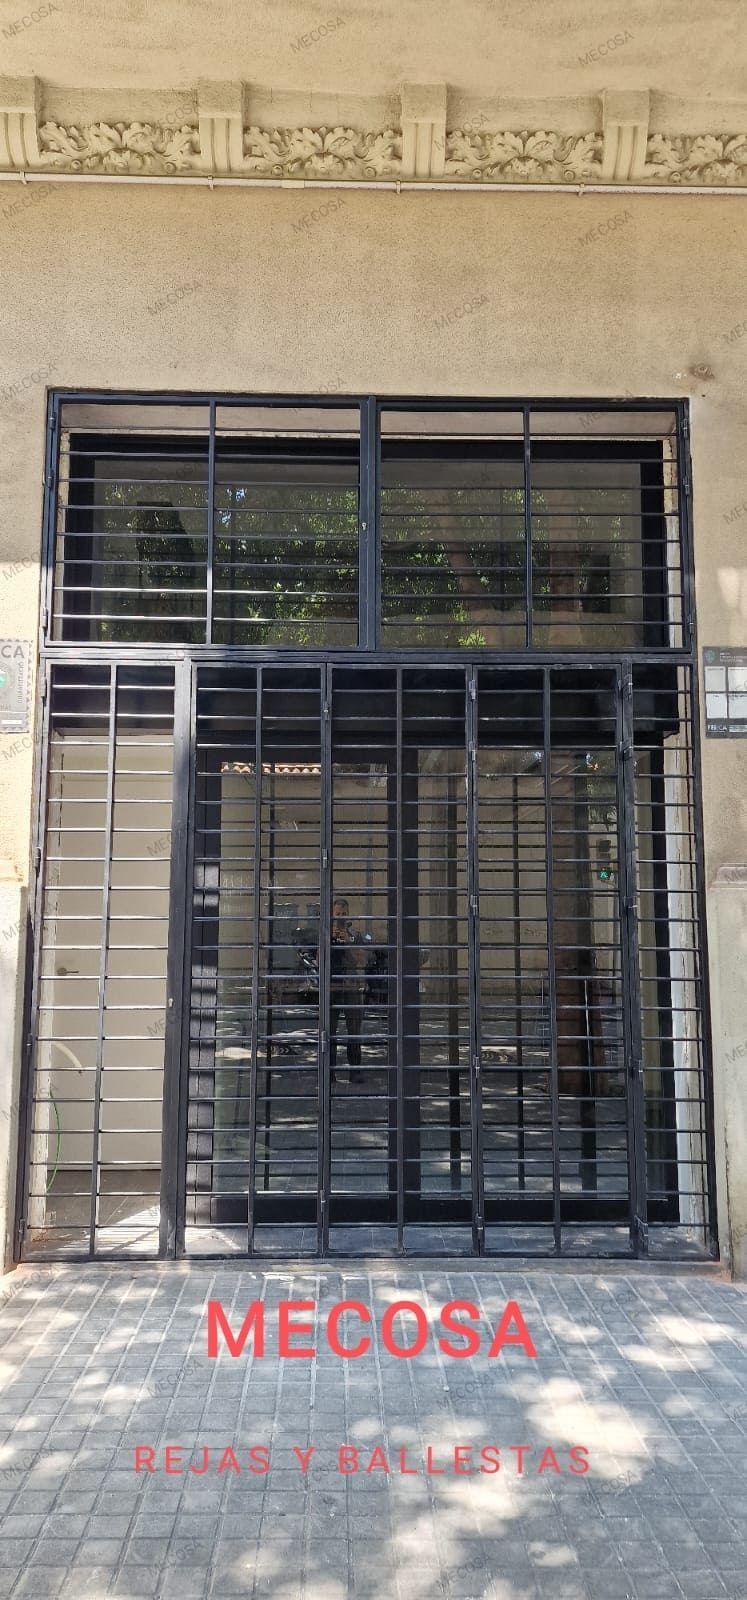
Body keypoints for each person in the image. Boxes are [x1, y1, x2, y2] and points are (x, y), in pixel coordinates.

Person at [329, 897, 366, 1085]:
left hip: (351, 987)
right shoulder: (325, 933)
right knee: (330, 1031)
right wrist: (330, 940)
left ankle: (355, 1071)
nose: (341, 917)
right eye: (338, 914)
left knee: (354, 1030)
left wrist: (347, 942)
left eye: (344, 914)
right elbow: (320, 960)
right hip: (332, 987)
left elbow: (360, 960)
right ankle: (329, 1072)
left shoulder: (355, 935)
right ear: (332, 915)